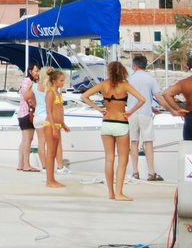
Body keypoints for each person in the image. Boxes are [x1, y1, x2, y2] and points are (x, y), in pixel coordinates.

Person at [81, 61, 146, 200]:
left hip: (106, 123)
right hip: (121, 123)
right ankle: (119, 193)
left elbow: (84, 96)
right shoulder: (125, 85)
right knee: (123, 159)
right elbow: (142, 99)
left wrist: (98, 108)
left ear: (109, 71)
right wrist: (130, 112)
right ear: (122, 71)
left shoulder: (103, 84)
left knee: (109, 159)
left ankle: (110, 193)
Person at [127, 54, 166, 181]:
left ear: (134, 65)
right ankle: (151, 172)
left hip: (132, 113)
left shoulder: (129, 79)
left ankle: (135, 171)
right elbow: (158, 96)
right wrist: (171, 108)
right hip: (145, 113)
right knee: (148, 141)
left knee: (134, 142)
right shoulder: (150, 79)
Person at [43, 68, 70, 188]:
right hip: (50, 125)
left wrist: (63, 124)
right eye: (61, 80)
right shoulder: (50, 93)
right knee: (51, 152)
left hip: (57, 125)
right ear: (54, 81)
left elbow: (60, 110)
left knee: (53, 153)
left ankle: (52, 178)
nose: (63, 83)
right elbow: (49, 111)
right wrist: (54, 128)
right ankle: (49, 180)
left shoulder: (59, 93)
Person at [17, 62, 40, 172]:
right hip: (28, 113)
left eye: (39, 70)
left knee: (24, 140)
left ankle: (20, 164)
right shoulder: (30, 82)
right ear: (30, 71)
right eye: (36, 71)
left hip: (21, 113)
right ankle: (26, 165)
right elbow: (29, 98)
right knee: (28, 139)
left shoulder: (24, 81)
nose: (38, 73)